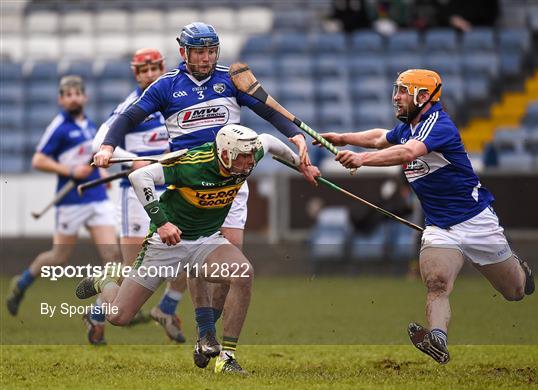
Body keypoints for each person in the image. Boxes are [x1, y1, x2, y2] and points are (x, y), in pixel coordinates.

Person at [92, 22, 317, 363]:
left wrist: (296, 137)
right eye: (199, 51)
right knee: (194, 252)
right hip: (188, 181)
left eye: (212, 51)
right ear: (183, 51)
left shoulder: (231, 79)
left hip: (230, 181)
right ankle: (202, 331)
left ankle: (210, 339)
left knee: (228, 270)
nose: (206, 58)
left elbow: (269, 113)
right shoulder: (166, 86)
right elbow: (127, 118)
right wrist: (108, 147)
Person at [315, 69, 535, 364]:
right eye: (396, 90)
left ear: (422, 96)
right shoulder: (409, 126)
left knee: (515, 291)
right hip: (439, 227)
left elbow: (407, 153)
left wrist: (361, 159)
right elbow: (381, 138)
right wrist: (343, 138)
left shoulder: (438, 126)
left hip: (477, 221)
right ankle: (438, 341)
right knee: (436, 283)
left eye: (402, 91)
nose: (396, 97)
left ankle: (521, 270)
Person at [76, 124, 320, 374]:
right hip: (166, 245)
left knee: (243, 273)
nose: (248, 164)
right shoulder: (191, 164)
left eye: (250, 157)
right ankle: (104, 283)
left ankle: (226, 358)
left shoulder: (248, 153)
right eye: (242, 158)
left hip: (207, 241)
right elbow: (139, 177)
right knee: (118, 316)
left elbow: (268, 140)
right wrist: (162, 223)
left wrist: (299, 164)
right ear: (225, 154)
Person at [6, 76, 121, 324]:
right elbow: (38, 160)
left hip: (97, 198)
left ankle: (98, 314)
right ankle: (22, 282)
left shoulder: (90, 126)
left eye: (77, 93)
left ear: (85, 97)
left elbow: (93, 157)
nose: (73, 98)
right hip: (71, 202)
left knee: (112, 254)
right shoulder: (58, 127)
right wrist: (70, 171)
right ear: (61, 99)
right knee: (58, 257)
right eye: (68, 94)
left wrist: (101, 173)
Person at [91, 48, 187, 345]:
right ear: (136, 74)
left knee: (188, 253)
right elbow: (100, 142)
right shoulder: (131, 105)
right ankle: (97, 310)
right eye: (143, 71)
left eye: (154, 69)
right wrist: (133, 159)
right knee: (135, 271)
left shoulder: (172, 99)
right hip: (134, 194)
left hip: (170, 189)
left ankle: (166, 308)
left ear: (162, 68)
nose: (149, 75)